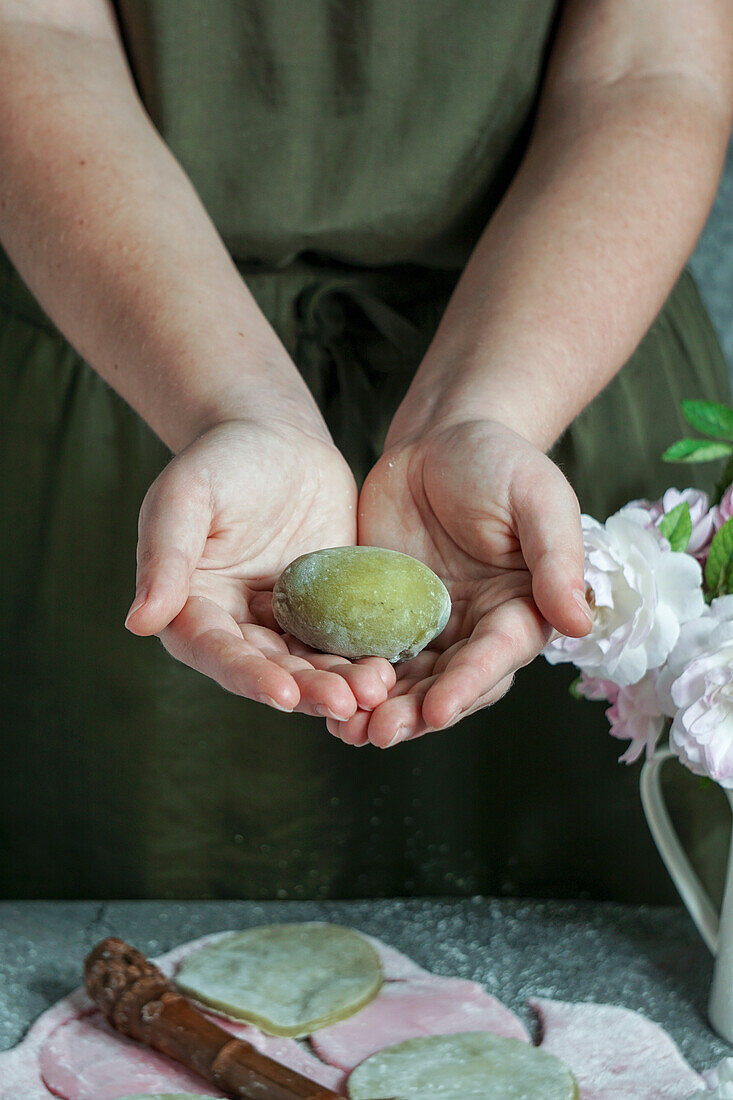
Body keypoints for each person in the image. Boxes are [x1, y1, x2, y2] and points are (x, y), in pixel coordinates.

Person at [1, 0, 732, 902]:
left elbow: (647, 67)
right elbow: (31, 31)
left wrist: (482, 409)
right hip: (136, 345)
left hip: (556, 346)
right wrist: (238, 406)